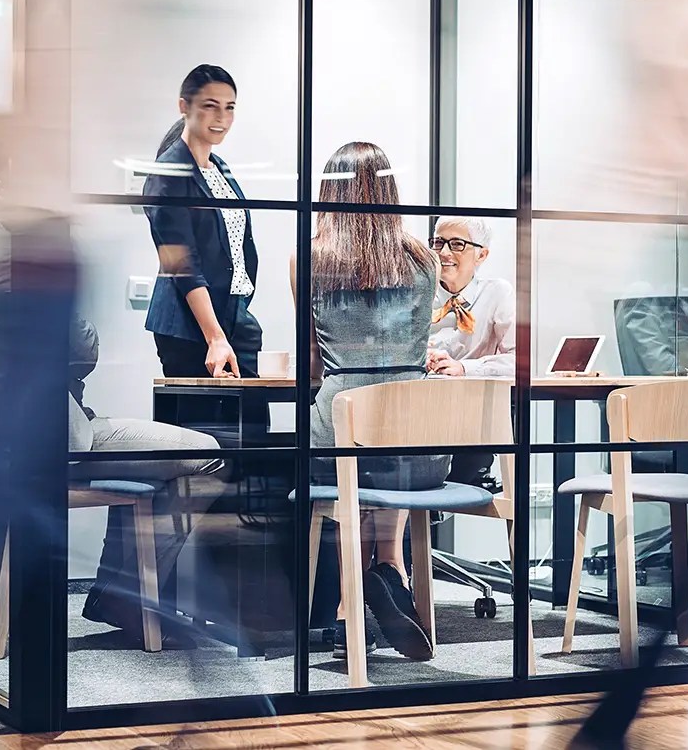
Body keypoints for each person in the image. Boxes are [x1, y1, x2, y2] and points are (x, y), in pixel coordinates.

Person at [0, 148, 225, 640]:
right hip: (59, 437)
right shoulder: (10, 252)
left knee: (152, 462)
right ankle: (126, 596)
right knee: (207, 454)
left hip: (22, 433)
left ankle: (120, 595)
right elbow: (82, 346)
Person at [290, 141, 443, 662]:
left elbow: (313, 363)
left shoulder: (308, 256)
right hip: (421, 448)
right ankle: (389, 571)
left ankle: (345, 609)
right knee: (386, 447)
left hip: (342, 433)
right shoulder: (424, 257)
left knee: (351, 456)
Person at [144, 64, 261, 380]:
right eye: (210, 106)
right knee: (204, 426)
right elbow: (183, 264)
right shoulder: (168, 174)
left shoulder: (220, 168)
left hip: (234, 314)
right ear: (184, 107)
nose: (221, 117)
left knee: (251, 423)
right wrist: (215, 336)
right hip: (191, 326)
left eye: (229, 107)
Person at [426, 216, 515, 378]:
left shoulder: (497, 292)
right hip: (418, 394)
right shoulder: (418, 293)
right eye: (439, 243)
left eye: (457, 244)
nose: (444, 252)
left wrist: (464, 368)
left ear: (481, 255)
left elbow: (518, 361)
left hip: (475, 398)